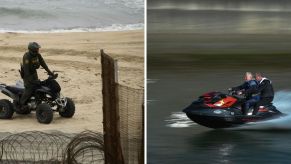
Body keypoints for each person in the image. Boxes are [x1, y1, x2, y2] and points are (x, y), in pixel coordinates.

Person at [19, 42, 55, 107]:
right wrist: (31, 81)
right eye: (37, 49)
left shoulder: (37, 55)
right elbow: (26, 71)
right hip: (27, 75)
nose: (38, 50)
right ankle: (21, 104)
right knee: (29, 89)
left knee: (38, 88)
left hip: (34, 73)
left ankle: (37, 102)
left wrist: (50, 72)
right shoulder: (26, 56)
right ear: (33, 50)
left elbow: (43, 63)